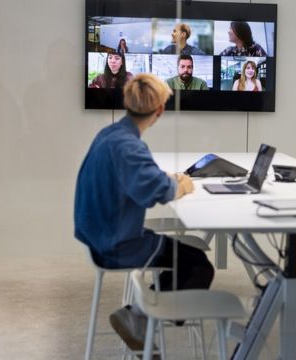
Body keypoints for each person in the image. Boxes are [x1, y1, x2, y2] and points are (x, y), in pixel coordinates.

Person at [74, 73, 215, 352]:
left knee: (183, 257)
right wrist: (182, 185)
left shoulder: (112, 134)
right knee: (198, 264)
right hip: (117, 244)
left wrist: (165, 178)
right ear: (160, 110)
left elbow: (140, 179)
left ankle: (140, 313)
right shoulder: (130, 147)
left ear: (127, 101)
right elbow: (159, 192)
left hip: (99, 235)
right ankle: (140, 316)